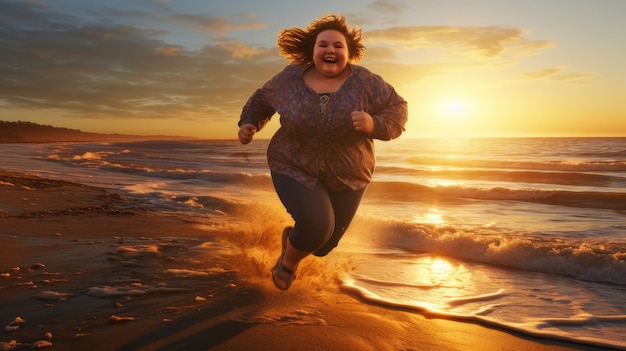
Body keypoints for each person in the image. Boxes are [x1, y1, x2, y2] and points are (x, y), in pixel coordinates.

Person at [237, 14, 408, 290]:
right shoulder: (289, 79)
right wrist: (249, 122)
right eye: (323, 45)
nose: (331, 50)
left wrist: (375, 124)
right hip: (293, 163)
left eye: (339, 46)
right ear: (312, 51)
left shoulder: (367, 83)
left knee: (324, 245)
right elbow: (261, 100)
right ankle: (287, 264)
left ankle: (293, 239)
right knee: (317, 224)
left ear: (350, 54)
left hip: (350, 173)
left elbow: (397, 108)